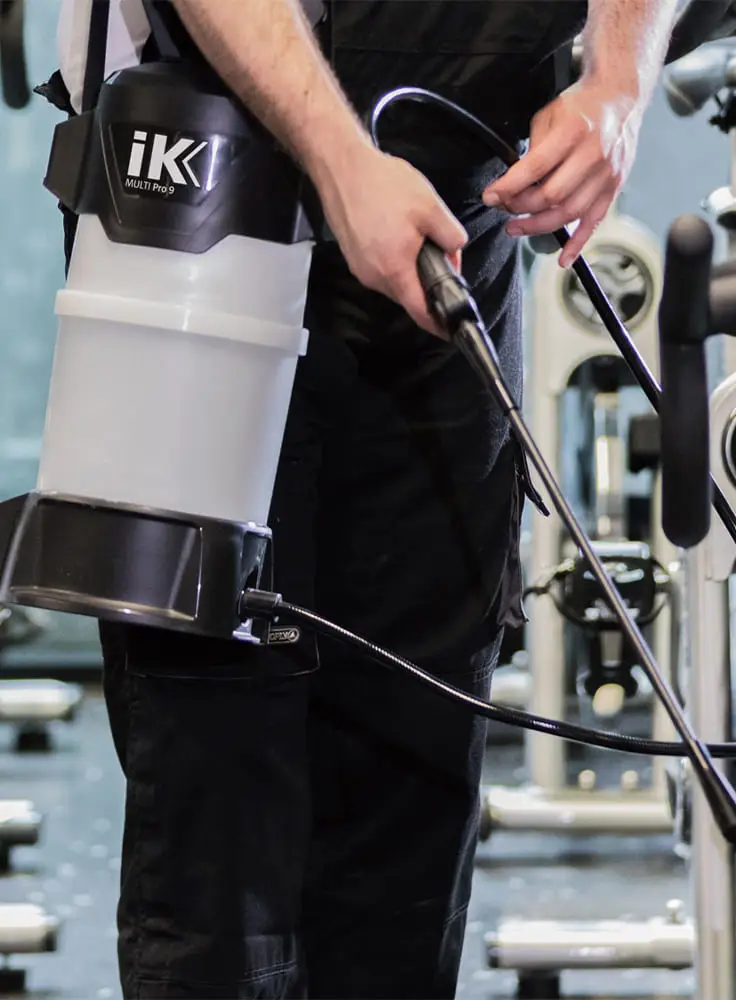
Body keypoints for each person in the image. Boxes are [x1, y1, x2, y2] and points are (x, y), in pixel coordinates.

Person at [50, 0, 679, 996]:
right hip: (203, 195)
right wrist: (344, 164)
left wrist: (618, 83)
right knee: (217, 801)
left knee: (412, 759)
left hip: (451, 206)